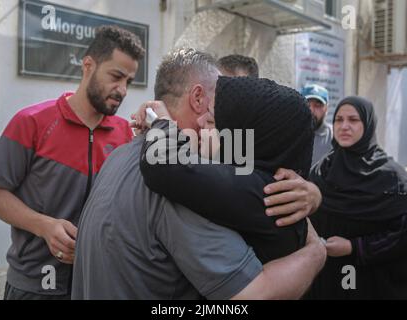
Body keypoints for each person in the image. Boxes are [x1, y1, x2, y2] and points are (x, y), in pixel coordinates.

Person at [71, 48, 326, 299]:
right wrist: (316, 251)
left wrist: (313, 195)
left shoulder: (120, 155)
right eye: (220, 102)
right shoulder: (183, 187)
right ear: (197, 98)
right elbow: (255, 293)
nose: (216, 117)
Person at [0, 25, 145, 300]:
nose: (123, 90)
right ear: (88, 66)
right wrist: (43, 226)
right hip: (35, 285)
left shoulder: (127, 134)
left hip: (98, 286)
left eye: (128, 81)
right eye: (116, 76)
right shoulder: (31, 121)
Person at [140, 76, 317, 265]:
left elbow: (161, 165)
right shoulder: (276, 185)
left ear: (246, 134)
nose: (200, 123)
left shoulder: (261, 191)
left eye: (212, 121)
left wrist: (162, 122)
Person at [308, 96, 407, 300]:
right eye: (339, 120)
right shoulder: (322, 169)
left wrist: (354, 247)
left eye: (353, 120)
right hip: (329, 277)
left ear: (368, 124)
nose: (344, 126)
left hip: (375, 280)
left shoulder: (391, 175)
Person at [301, 84, 333, 165]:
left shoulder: (335, 136)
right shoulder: (289, 133)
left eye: (317, 105)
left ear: (326, 109)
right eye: (307, 104)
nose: (311, 110)